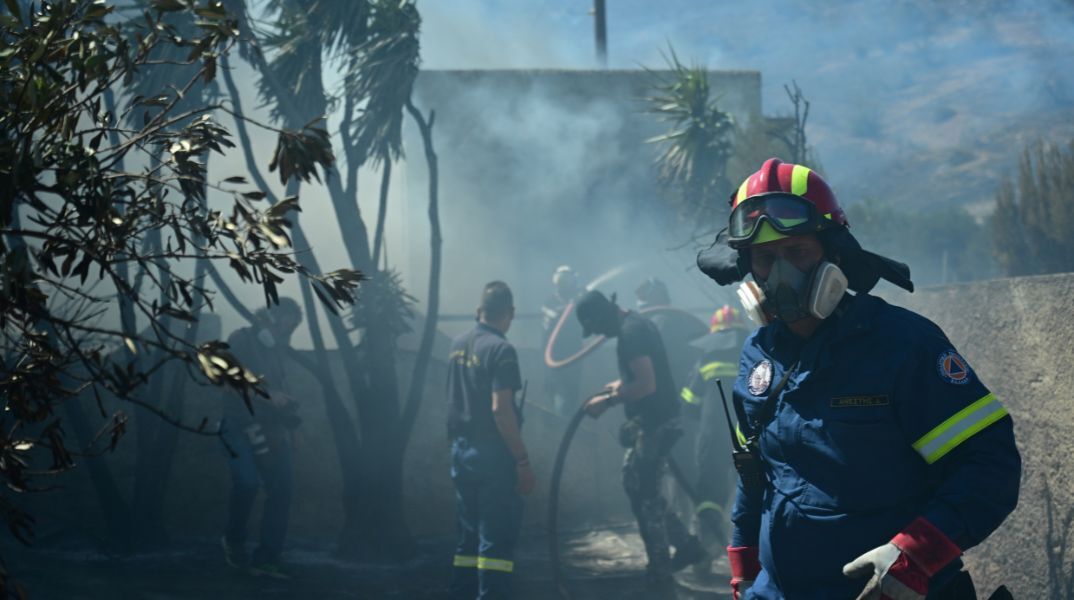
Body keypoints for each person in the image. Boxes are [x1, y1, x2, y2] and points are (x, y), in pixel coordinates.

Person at [696, 158, 1021, 599]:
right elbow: (755, 479)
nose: (782, 274)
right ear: (749, 271)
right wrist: (744, 574)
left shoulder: (903, 345)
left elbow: (990, 465)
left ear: (834, 255)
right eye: (766, 258)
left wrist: (915, 557)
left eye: (798, 252)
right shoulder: (758, 355)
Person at [575, 290, 707, 584]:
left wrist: (607, 402)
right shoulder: (635, 325)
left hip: (656, 423)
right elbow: (641, 376)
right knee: (637, 485)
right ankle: (686, 546)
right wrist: (615, 387)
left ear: (602, 315)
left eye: (595, 326)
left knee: (644, 492)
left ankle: (660, 571)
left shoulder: (630, 334)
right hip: (654, 421)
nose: (598, 333)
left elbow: (646, 385)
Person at [447, 281, 535, 600]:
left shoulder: (458, 344)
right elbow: (501, 409)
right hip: (492, 455)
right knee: (495, 541)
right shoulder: (501, 350)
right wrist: (522, 460)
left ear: (478, 311)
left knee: (467, 540)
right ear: (509, 313)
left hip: (461, 451)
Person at [219, 298, 304, 578]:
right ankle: (233, 540)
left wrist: (292, 428)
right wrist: (268, 396)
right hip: (239, 426)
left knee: (283, 490)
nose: (286, 332)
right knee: (247, 483)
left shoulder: (277, 352)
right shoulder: (240, 338)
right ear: (269, 318)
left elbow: (283, 391)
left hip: (273, 431)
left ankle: (267, 558)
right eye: (284, 324)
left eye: (291, 328)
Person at [678, 305, 749, 558]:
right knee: (751, 491)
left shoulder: (706, 357)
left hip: (712, 436)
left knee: (709, 490)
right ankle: (749, 551)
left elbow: (689, 401)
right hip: (749, 436)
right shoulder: (752, 352)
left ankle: (707, 550)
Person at [541, 265, 584, 416]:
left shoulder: (578, 298)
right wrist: (570, 306)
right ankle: (560, 426)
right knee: (560, 396)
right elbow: (555, 317)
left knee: (571, 394)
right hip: (554, 357)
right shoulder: (550, 301)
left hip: (574, 356)